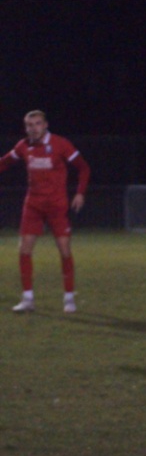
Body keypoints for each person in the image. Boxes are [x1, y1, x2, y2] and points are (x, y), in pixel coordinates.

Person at [0, 110, 91, 313]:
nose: (34, 128)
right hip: (33, 205)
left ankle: (68, 298)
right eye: (30, 125)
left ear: (45, 125)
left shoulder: (60, 144)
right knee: (24, 250)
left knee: (64, 250)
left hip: (57, 206)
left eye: (38, 123)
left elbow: (83, 168)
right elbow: (5, 163)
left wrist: (80, 193)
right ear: (26, 128)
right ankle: (27, 299)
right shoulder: (23, 146)